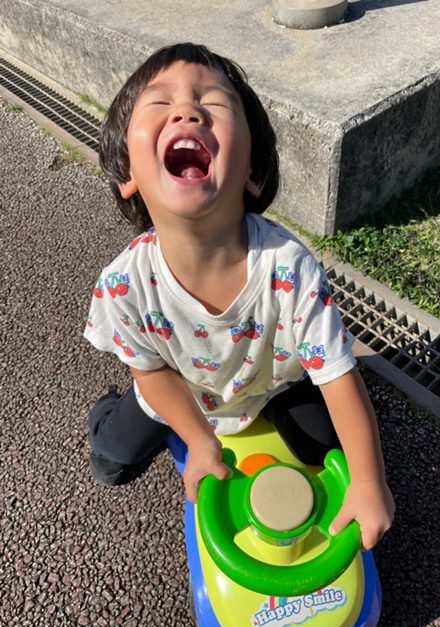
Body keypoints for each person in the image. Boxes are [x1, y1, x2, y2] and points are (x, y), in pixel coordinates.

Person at [84, 42, 394, 550]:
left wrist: (369, 482)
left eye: (214, 102)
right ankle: (105, 412)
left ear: (254, 172)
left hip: (268, 384)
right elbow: (151, 372)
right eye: (160, 102)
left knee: (328, 449)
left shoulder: (289, 268)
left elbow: (339, 377)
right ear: (128, 174)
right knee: (110, 461)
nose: (187, 111)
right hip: (180, 389)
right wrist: (199, 439)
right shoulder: (124, 285)